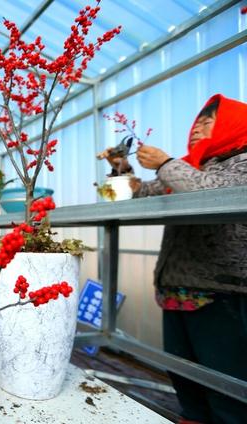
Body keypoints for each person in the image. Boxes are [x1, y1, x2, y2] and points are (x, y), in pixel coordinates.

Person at [99, 94, 247, 424]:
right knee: (185, 377)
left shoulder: (241, 162)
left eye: (209, 122)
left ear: (235, 124)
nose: (197, 129)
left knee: (225, 387)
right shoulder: (189, 166)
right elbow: (141, 193)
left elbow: (212, 191)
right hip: (177, 289)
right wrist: (121, 168)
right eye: (197, 122)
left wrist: (166, 164)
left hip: (220, 292)